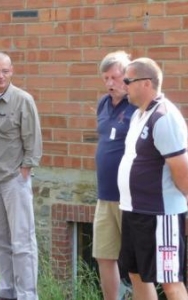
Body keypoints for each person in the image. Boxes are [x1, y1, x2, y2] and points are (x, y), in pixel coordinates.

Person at [118, 57, 188, 300]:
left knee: (170, 282)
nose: (123, 85)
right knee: (136, 274)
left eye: (128, 80)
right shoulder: (140, 114)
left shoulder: (164, 116)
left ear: (146, 83)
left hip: (161, 216)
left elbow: (182, 170)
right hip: (134, 211)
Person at [0, 52, 42, 300]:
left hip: (14, 180)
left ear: (12, 71)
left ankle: (27, 295)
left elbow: (33, 140)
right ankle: (7, 292)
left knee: (23, 242)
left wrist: (25, 169)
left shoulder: (23, 100)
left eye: (4, 70)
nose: (0, 75)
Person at [92, 50, 136, 300]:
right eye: (105, 78)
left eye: (115, 77)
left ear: (127, 76)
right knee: (103, 254)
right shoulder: (103, 103)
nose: (110, 83)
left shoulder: (137, 105)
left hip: (130, 197)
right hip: (104, 193)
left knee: (133, 260)